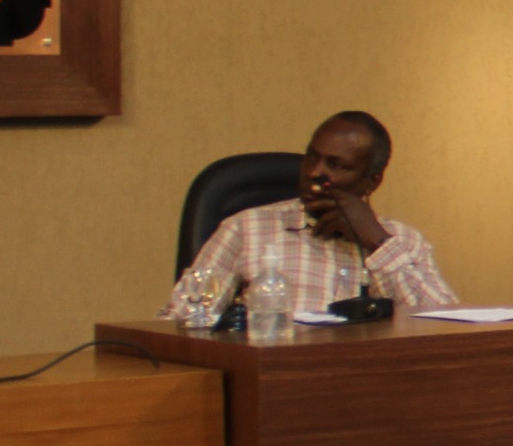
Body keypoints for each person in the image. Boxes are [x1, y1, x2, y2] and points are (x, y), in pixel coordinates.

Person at [165, 112, 453, 319]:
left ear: (372, 181)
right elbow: (180, 319)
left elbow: (444, 326)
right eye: (311, 157)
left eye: (335, 165)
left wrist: (377, 242)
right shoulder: (246, 228)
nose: (315, 172)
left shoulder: (405, 242)